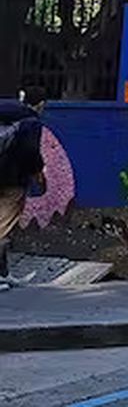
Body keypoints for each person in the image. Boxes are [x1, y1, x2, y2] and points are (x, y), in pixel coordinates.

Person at [0, 87, 48, 292]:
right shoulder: (31, 122)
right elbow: (30, 152)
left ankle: (4, 274)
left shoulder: (7, 118)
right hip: (13, 181)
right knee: (3, 226)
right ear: (41, 104)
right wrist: (38, 172)